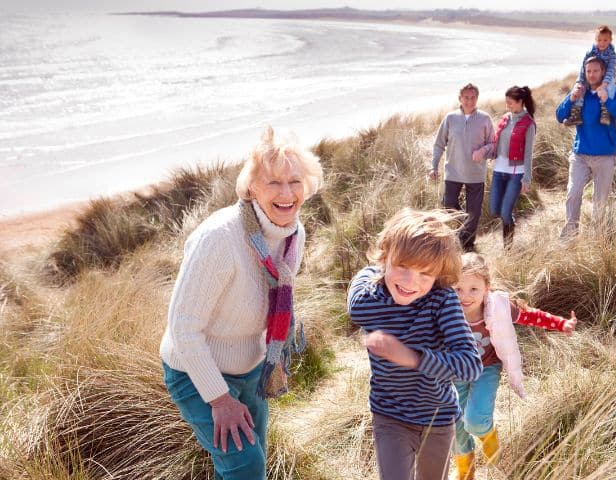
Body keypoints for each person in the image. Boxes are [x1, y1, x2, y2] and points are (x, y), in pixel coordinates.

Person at [160, 126, 324, 479]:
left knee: (247, 464)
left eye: (295, 182)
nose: (286, 193)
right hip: (195, 367)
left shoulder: (295, 234)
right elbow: (184, 328)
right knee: (246, 467)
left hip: (252, 367)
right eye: (273, 183)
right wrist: (219, 399)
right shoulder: (219, 238)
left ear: (307, 186)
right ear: (251, 187)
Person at [347, 208, 483, 480]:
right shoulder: (366, 303)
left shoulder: (442, 301)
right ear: (385, 258)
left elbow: (471, 365)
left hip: (438, 418)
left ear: (438, 276)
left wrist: (413, 358)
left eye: (425, 274)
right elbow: (358, 292)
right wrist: (383, 263)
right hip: (389, 416)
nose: (411, 282)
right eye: (403, 267)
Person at [451, 252, 577, 479]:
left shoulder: (498, 307)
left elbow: (529, 316)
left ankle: (488, 436)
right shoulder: (445, 309)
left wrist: (560, 323)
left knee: (475, 421)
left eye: (473, 289)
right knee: (456, 426)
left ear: (486, 288)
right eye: (457, 288)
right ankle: (465, 473)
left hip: (486, 368)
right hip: (456, 373)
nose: (465, 296)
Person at [555, 56, 616, 238]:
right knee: (573, 193)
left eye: (595, 71)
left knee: (600, 202)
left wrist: (607, 101)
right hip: (580, 154)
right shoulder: (579, 92)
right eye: (588, 71)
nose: (591, 74)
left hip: (605, 156)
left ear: (603, 72)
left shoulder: (614, 92)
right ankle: (569, 238)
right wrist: (572, 97)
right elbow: (559, 116)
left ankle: (597, 241)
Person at [430, 83, 496, 252]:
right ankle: (464, 229)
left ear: (477, 98)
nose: (469, 101)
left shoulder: (485, 118)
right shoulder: (450, 118)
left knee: (474, 212)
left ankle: (466, 245)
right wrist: (434, 167)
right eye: (466, 97)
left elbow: (493, 144)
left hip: (476, 174)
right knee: (448, 205)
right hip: (453, 172)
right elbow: (439, 144)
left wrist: (483, 150)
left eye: (473, 97)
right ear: (460, 99)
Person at [484, 86, 537, 249]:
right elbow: (496, 142)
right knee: (494, 209)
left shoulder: (529, 123)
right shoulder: (506, 118)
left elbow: (528, 153)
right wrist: (488, 153)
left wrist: (526, 178)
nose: (507, 106)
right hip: (499, 170)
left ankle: (508, 247)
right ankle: (509, 224)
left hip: (516, 173)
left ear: (520, 102)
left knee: (506, 212)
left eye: (510, 103)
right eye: (506, 103)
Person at [563, 25, 616, 127]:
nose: (601, 43)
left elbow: (611, 69)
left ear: (610, 40)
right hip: (592, 75)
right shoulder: (591, 51)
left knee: (611, 86)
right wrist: (580, 81)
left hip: (607, 77)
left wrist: (604, 83)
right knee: (580, 87)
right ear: (595, 39)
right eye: (599, 40)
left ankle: (605, 112)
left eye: (605, 40)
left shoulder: (611, 54)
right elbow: (584, 67)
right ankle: (576, 113)